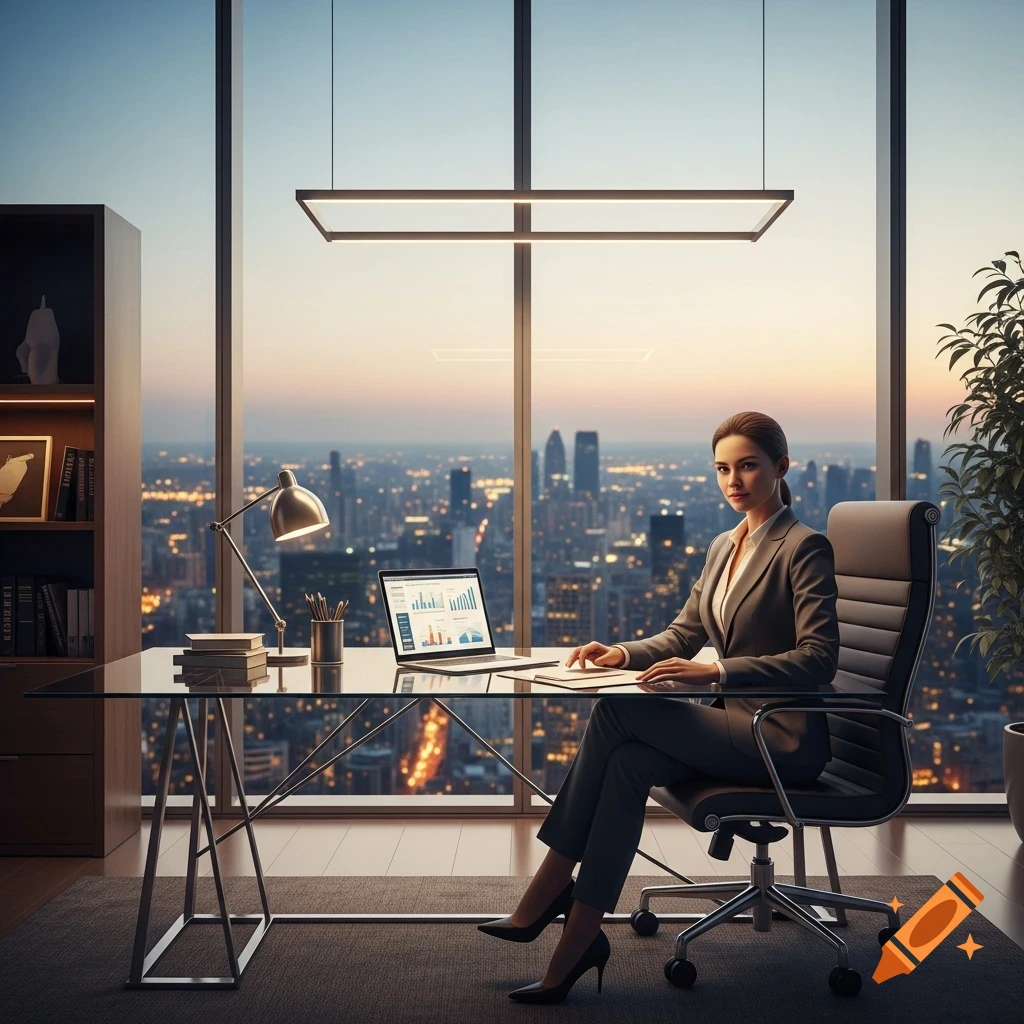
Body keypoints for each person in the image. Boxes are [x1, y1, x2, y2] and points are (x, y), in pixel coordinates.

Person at [478, 411, 839, 1004]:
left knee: (617, 715)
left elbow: (819, 657)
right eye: (723, 468)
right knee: (628, 766)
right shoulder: (725, 546)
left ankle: (544, 893)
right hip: (735, 727)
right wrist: (618, 652)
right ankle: (580, 942)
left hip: (782, 739)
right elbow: (680, 634)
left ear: (781, 467)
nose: (734, 480)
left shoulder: (804, 547)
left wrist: (716, 670)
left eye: (748, 465)